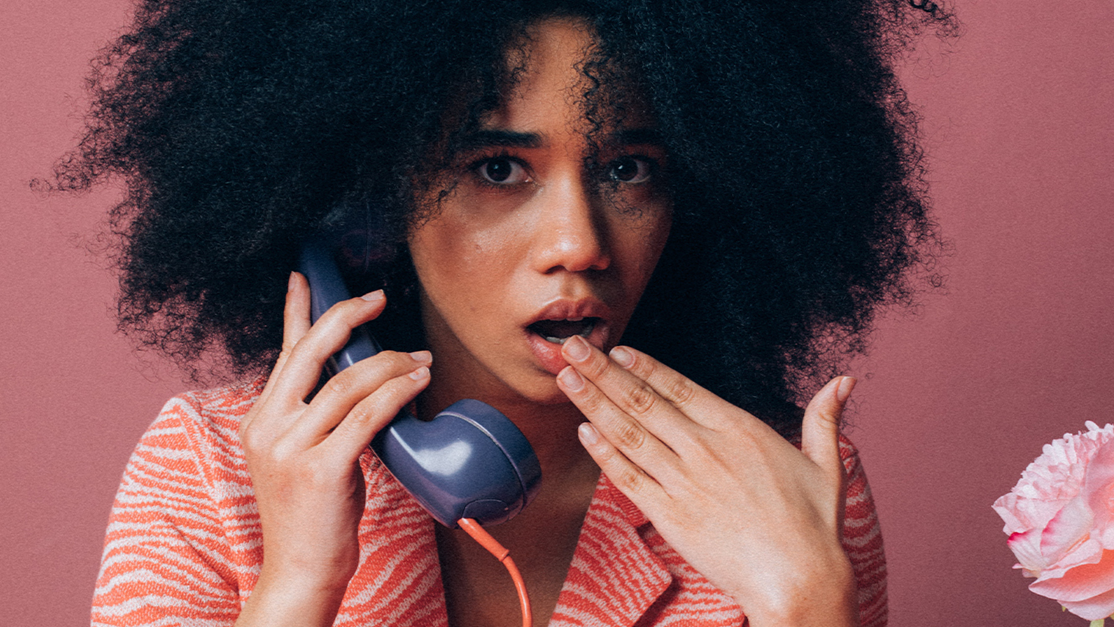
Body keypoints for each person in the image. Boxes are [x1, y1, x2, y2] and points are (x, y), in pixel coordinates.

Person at [58, 0, 950, 625]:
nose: (579, 242)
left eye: (628, 168)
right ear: (372, 212)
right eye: (498, 167)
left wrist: (809, 607)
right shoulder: (213, 474)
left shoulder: (789, 487)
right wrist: (297, 583)